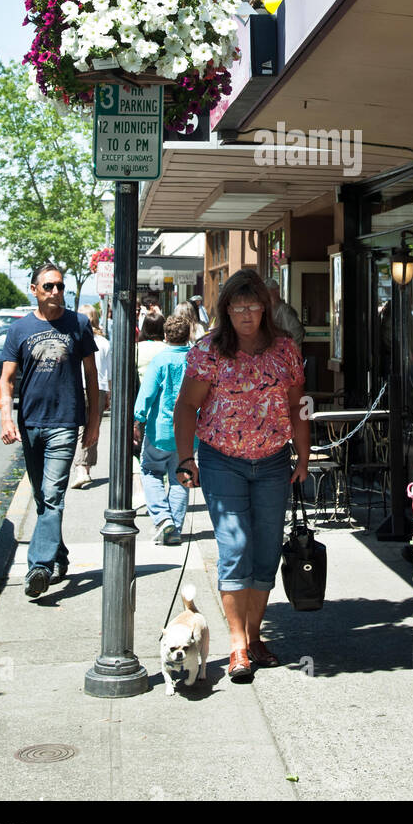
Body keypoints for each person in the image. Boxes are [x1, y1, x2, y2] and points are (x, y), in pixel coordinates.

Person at [174, 268, 309, 682]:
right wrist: (185, 459)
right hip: (222, 460)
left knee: (266, 549)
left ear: (266, 310)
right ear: (226, 310)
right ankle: (237, 646)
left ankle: (254, 636)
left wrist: (302, 457)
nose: (246, 314)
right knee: (236, 546)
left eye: (253, 306)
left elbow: (297, 406)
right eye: (238, 307)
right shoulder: (208, 351)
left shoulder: (284, 350)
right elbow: (186, 407)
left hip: (272, 461)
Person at [0, 262, 99, 599]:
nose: (55, 292)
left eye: (60, 286)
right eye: (48, 287)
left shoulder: (79, 324)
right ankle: (59, 556)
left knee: (53, 496)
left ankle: (39, 566)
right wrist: (6, 419)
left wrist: (94, 422)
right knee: (43, 500)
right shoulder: (19, 329)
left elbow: (93, 378)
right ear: (34, 290)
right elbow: (6, 380)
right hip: (30, 424)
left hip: (65, 423)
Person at [133, 313, 192, 545]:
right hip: (189, 431)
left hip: (160, 429)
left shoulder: (161, 360)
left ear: (166, 335)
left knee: (150, 471)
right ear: (188, 335)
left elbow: (147, 394)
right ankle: (175, 529)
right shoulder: (194, 359)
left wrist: (138, 419)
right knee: (181, 476)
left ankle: (163, 519)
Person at [71, 304, 110, 489]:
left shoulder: (75, 339)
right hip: (100, 388)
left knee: (80, 428)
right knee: (94, 427)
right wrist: (109, 392)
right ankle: (84, 468)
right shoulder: (104, 342)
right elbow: (108, 372)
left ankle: (80, 468)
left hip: (79, 386)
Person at [265, 278, 304, 346]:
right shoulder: (270, 309)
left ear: (277, 291)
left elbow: (298, 332)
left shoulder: (284, 309)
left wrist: (285, 350)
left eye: (268, 292)